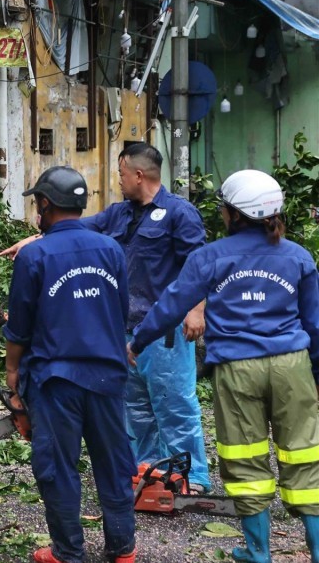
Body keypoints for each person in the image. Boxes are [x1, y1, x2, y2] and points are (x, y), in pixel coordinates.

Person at [130, 169, 319, 563]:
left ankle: (258, 552)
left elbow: (171, 305)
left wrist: (137, 342)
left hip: (237, 368)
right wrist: (314, 372)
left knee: (245, 456)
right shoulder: (299, 256)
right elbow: (314, 323)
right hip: (292, 365)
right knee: (303, 455)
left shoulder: (209, 257)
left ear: (232, 213)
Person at [0, 143, 211, 493]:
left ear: (138, 174)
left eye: (121, 174)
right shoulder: (119, 214)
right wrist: (34, 239)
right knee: (136, 412)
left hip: (164, 331)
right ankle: (148, 475)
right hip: (125, 331)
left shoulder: (179, 213)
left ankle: (193, 479)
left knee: (174, 407)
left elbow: (199, 265)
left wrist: (196, 309)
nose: (119, 181)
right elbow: (74, 227)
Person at [2, 166, 136, 563]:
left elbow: (20, 326)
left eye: (36, 202)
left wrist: (13, 374)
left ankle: (68, 553)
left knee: (58, 468)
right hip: (108, 375)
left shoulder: (35, 255)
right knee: (113, 463)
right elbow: (121, 309)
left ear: (45, 203)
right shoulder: (111, 249)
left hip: (56, 379)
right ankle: (122, 550)